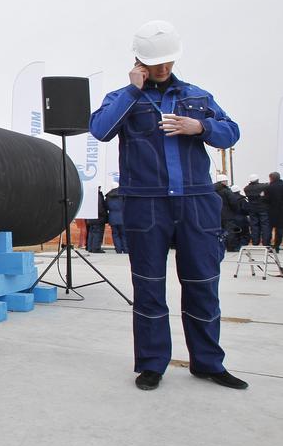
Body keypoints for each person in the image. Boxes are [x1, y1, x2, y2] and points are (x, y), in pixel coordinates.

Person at [90, 20, 247, 391]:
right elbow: (100, 129)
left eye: (167, 62)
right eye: (155, 63)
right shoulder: (122, 97)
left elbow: (232, 131)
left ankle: (208, 362)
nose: (163, 69)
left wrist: (201, 128)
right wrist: (133, 90)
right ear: (139, 60)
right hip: (146, 205)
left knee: (203, 284)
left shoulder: (198, 97)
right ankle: (151, 364)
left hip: (196, 203)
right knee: (148, 286)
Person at [214, 175, 242, 252]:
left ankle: (221, 246)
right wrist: (235, 211)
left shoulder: (213, 191)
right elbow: (233, 202)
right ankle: (231, 247)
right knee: (229, 231)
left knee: (219, 231)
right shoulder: (226, 191)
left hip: (216, 214)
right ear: (224, 182)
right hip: (227, 214)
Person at [243, 174, 270, 246]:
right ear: (257, 179)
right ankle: (266, 243)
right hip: (263, 209)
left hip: (252, 209)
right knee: (265, 226)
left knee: (254, 226)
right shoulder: (264, 186)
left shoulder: (246, 188)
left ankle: (255, 242)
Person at [105, 181, 127, 253]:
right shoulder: (122, 195)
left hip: (112, 217)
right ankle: (126, 249)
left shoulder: (108, 196)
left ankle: (118, 249)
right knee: (124, 234)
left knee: (115, 234)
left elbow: (106, 207)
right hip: (122, 217)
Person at [85, 187, 108, 252]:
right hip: (98, 217)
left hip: (90, 217)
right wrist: (105, 214)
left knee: (91, 232)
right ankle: (96, 248)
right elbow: (100, 208)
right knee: (97, 232)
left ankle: (90, 247)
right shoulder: (98, 196)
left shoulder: (89, 195)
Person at [267, 172, 283, 253]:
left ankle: (268, 245)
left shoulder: (269, 187)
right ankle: (277, 246)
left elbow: (266, 199)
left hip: (272, 211)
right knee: (280, 229)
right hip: (281, 211)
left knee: (268, 228)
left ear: (271, 178)